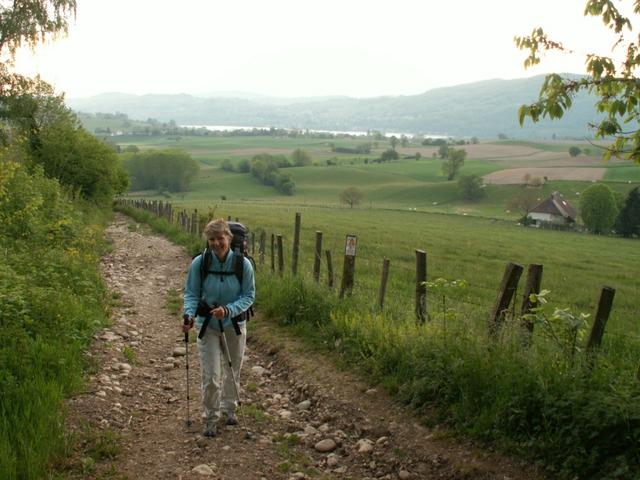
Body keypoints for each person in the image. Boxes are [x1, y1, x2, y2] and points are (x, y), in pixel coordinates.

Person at [182, 218, 255, 437]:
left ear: (229, 238)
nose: (216, 243)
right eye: (211, 239)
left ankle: (229, 409)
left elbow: (249, 296)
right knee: (211, 375)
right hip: (208, 326)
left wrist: (229, 310)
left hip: (234, 325)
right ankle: (210, 418)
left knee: (233, 371)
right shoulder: (200, 263)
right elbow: (191, 293)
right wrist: (188, 314)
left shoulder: (243, 265)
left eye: (220, 239)